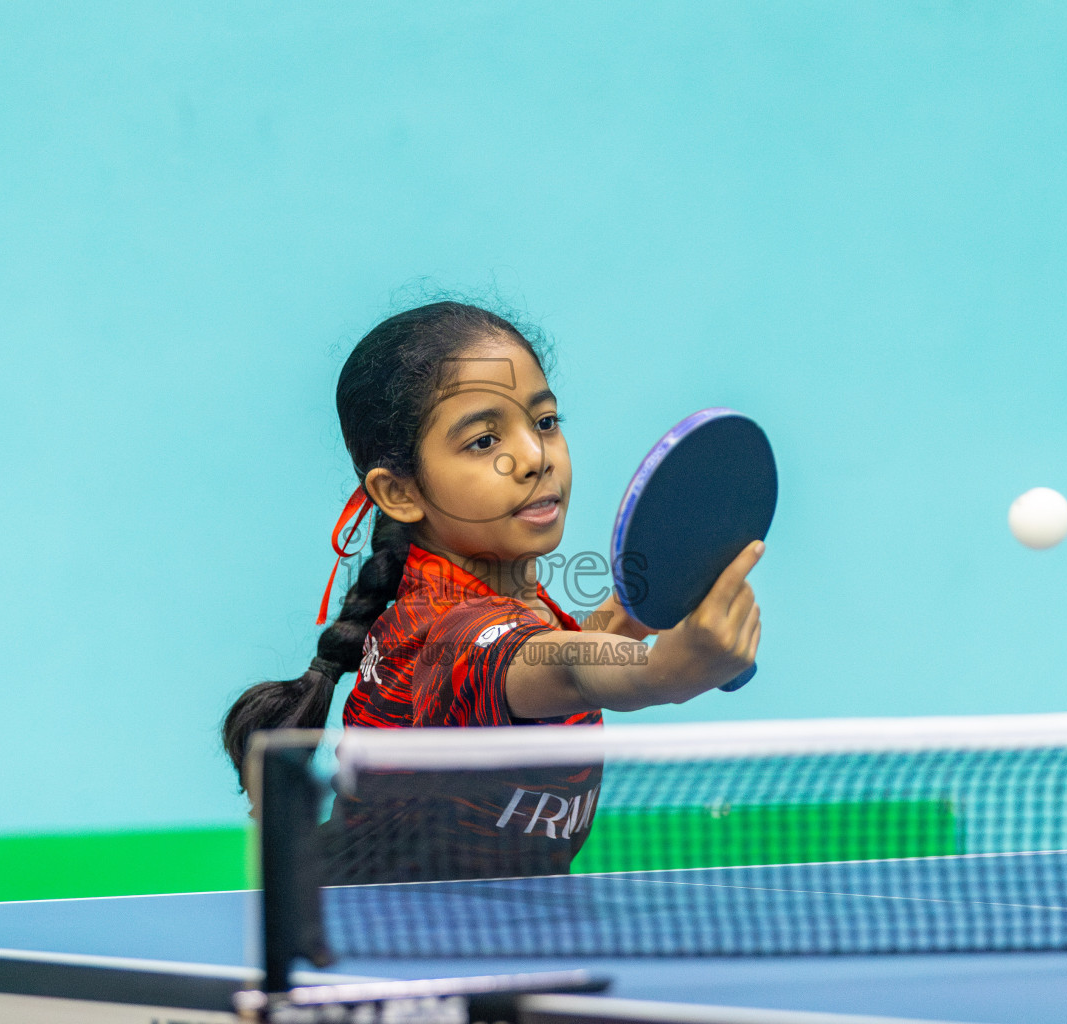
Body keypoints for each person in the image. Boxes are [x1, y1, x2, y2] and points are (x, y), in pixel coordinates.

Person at [222, 301, 763, 882]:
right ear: (399, 492)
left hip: (472, 917)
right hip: (395, 936)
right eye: (483, 441)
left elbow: (562, 654)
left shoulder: (502, 595)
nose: (534, 457)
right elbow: (564, 669)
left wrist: (632, 617)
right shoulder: (446, 630)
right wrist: (662, 676)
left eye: (545, 422)